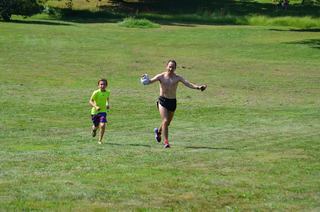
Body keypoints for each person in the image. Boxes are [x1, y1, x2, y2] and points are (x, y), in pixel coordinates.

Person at [141, 60, 207, 148]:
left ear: (175, 68)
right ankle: (166, 142)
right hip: (162, 101)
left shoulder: (177, 78)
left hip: (172, 102)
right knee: (165, 120)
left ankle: (159, 132)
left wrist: (198, 87)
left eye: (173, 67)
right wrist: (145, 80)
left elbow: (188, 84)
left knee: (167, 123)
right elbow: (150, 81)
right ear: (166, 66)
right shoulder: (161, 76)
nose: (171, 68)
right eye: (170, 66)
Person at [89, 79, 110, 144]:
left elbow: (107, 98)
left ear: (106, 85)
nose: (102, 85)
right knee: (96, 126)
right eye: (101, 84)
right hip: (95, 112)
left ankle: (100, 140)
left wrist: (107, 104)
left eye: (104, 84)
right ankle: (94, 130)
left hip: (103, 111)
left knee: (102, 125)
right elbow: (90, 101)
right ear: (98, 85)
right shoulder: (96, 92)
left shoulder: (108, 92)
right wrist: (96, 107)